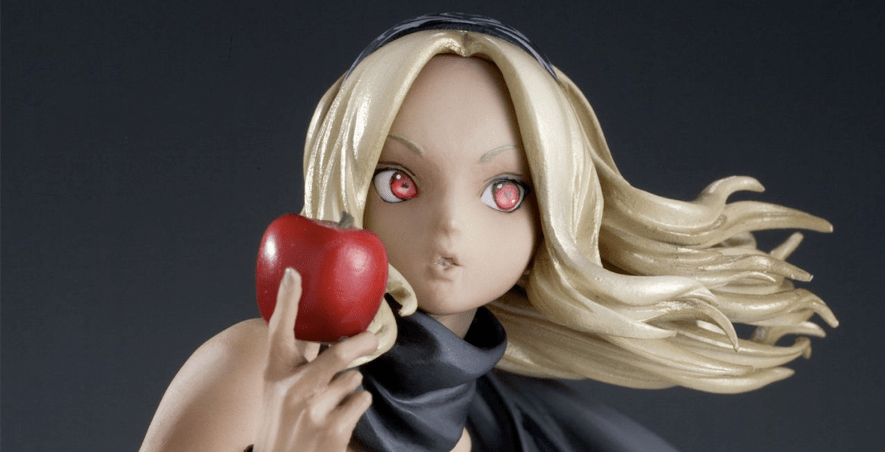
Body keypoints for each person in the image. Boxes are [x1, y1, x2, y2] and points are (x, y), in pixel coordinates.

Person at [140, 13, 838, 452]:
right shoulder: (254, 373)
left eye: (504, 192)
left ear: (550, 218)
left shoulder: (510, 426)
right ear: (345, 187)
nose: (450, 225)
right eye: (399, 183)